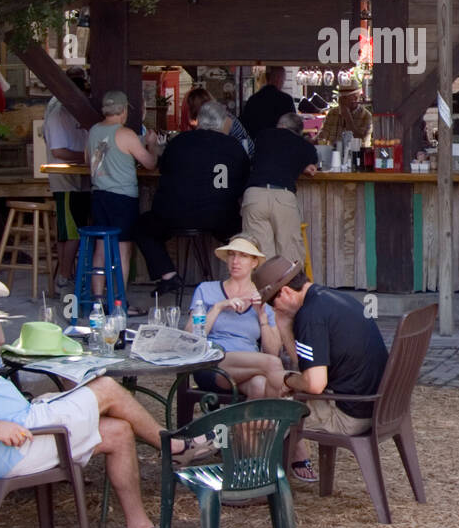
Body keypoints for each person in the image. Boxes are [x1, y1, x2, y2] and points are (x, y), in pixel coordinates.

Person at [0, 251, 212, 528]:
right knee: (106, 387)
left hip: (9, 438)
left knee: (119, 432)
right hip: (15, 443)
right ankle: (173, 446)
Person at [252, 256, 389, 484]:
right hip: (378, 406)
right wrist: (284, 323)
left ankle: (256, 480)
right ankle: (285, 462)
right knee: (277, 386)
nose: (272, 308)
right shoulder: (335, 298)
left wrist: (287, 381)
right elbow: (304, 363)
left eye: (270, 303)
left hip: (350, 416)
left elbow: (315, 384)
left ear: (285, 292)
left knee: (255, 421)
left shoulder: (310, 317)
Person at [134, 100, 250, 295]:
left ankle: (168, 276)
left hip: (174, 216)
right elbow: (243, 182)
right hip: (220, 217)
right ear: (222, 123)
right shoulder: (234, 146)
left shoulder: (179, 142)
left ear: (198, 121)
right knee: (246, 232)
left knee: (141, 226)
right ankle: (239, 286)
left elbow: (163, 170)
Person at [187, 236, 286, 399]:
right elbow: (191, 336)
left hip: (250, 368)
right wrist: (218, 307)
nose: (235, 261)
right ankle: (288, 409)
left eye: (243, 256)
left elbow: (273, 351)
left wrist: (261, 316)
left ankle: (247, 425)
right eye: (232, 254)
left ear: (254, 262)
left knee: (260, 385)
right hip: (213, 363)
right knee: (272, 364)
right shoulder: (206, 290)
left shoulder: (264, 298)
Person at [87, 89, 159, 299]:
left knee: (100, 248)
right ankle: (118, 301)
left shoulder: (93, 131)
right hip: (123, 198)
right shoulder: (125, 134)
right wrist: (152, 145)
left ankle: (99, 299)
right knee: (122, 250)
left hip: (99, 195)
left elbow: (87, 159)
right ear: (124, 110)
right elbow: (150, 163)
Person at [240, 112, 319, 262]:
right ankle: (289, 285)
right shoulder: (304, 145)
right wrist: (305, 166)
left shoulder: (262, 136)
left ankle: (263, 285)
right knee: (289, 253)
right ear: (299, 132)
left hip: (254, 195)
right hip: (283, 196)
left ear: (280, 125)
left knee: (259, 254)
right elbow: (312, 168)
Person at [43, 67, 92, 289]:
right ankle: (64, 275)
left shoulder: (73, 106)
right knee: (70, 231)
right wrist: (87, 157)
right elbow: (58, 151)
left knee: (71, 229)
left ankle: (67, 273)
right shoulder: (58, 109)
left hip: (78, 177)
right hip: (64, 177)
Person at [240, 66, 296, 138]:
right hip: (280, 144)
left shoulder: (253, 99)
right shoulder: (286, 100)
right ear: (279, 79)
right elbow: (294, 125)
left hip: (257, 144)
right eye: (283, 80)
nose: (283, 83)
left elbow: (244, 124)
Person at [315, 79, 372, 145]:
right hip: (333, 153)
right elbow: (322, 135)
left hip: (356, 154)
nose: (340, 100)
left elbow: (360, 140)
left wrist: (348, 117)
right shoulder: (332, 113)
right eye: (340, 97)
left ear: (355, 98)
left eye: (344, 97)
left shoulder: (366, 116)